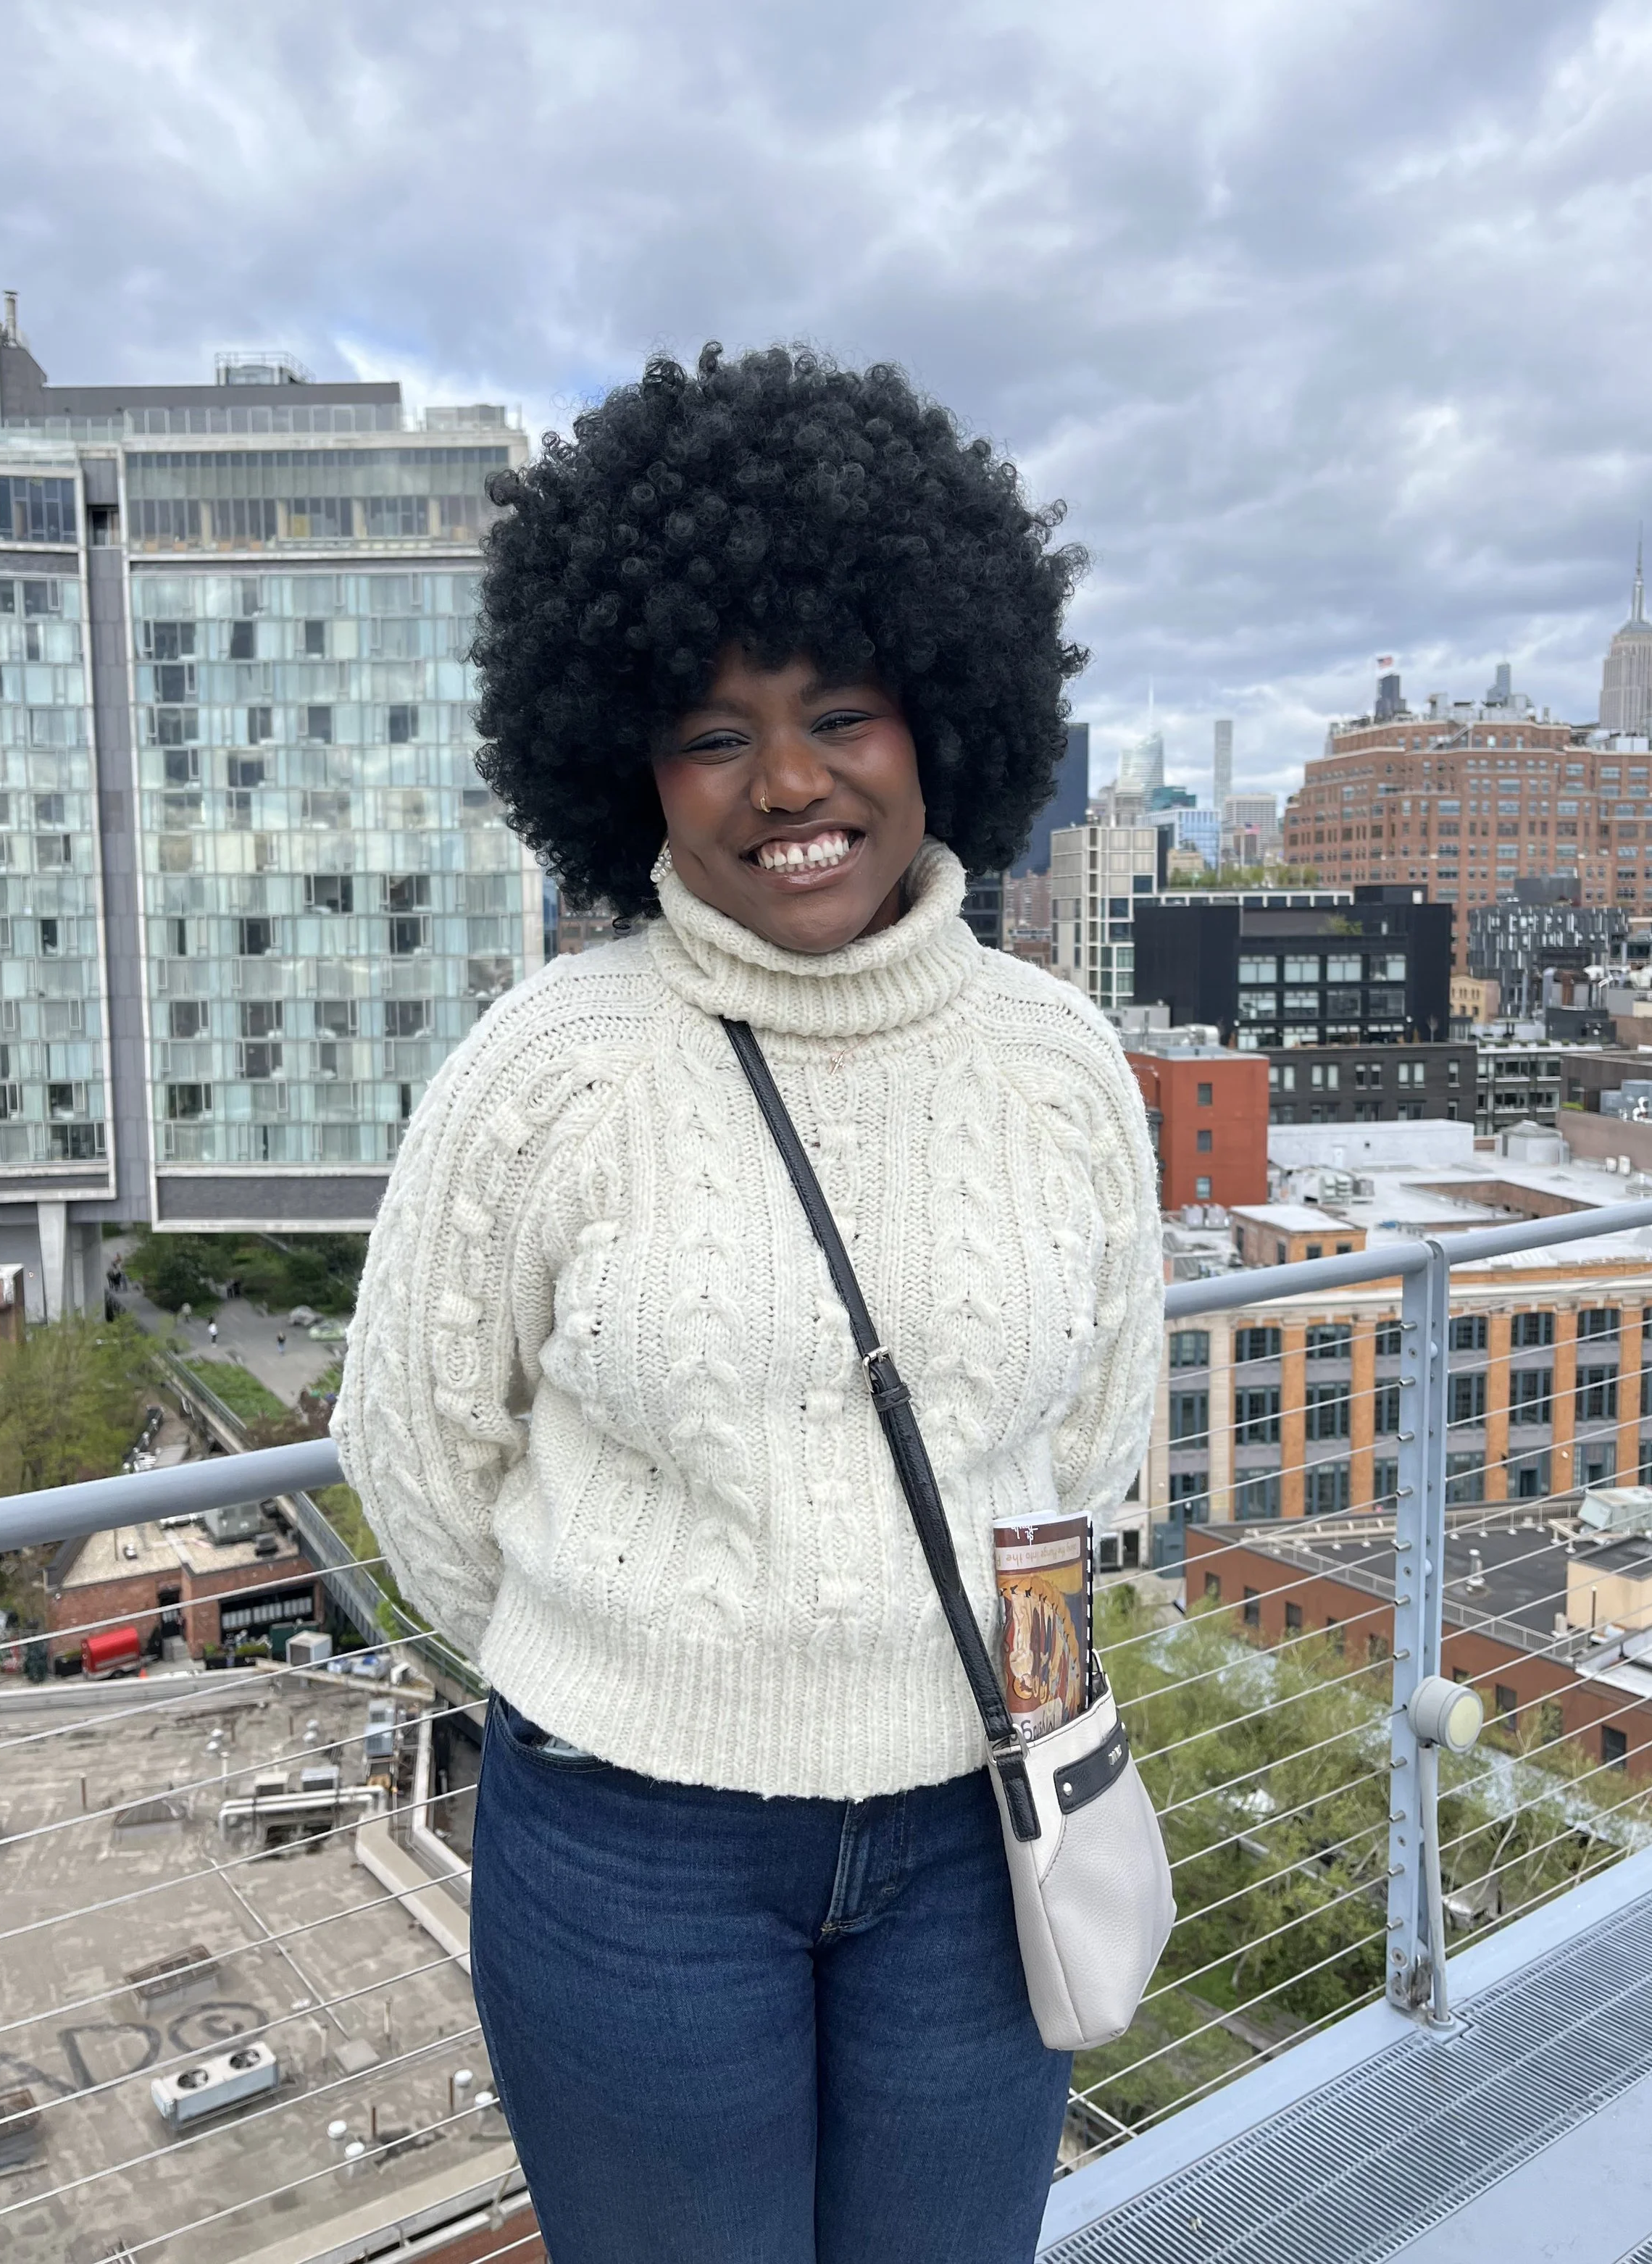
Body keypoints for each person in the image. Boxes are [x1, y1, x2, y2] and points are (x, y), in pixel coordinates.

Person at [335, 346, 1161, 2263]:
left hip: (977, 1831)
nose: (789, 783)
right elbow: (414, 1451)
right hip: (634, 1858)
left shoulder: (1061, 1062)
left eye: (840, 713)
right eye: (715, 733)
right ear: (629, 762)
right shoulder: (547, 1069)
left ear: (940, 716)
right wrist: (625, 1675)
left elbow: (1089, 1437)